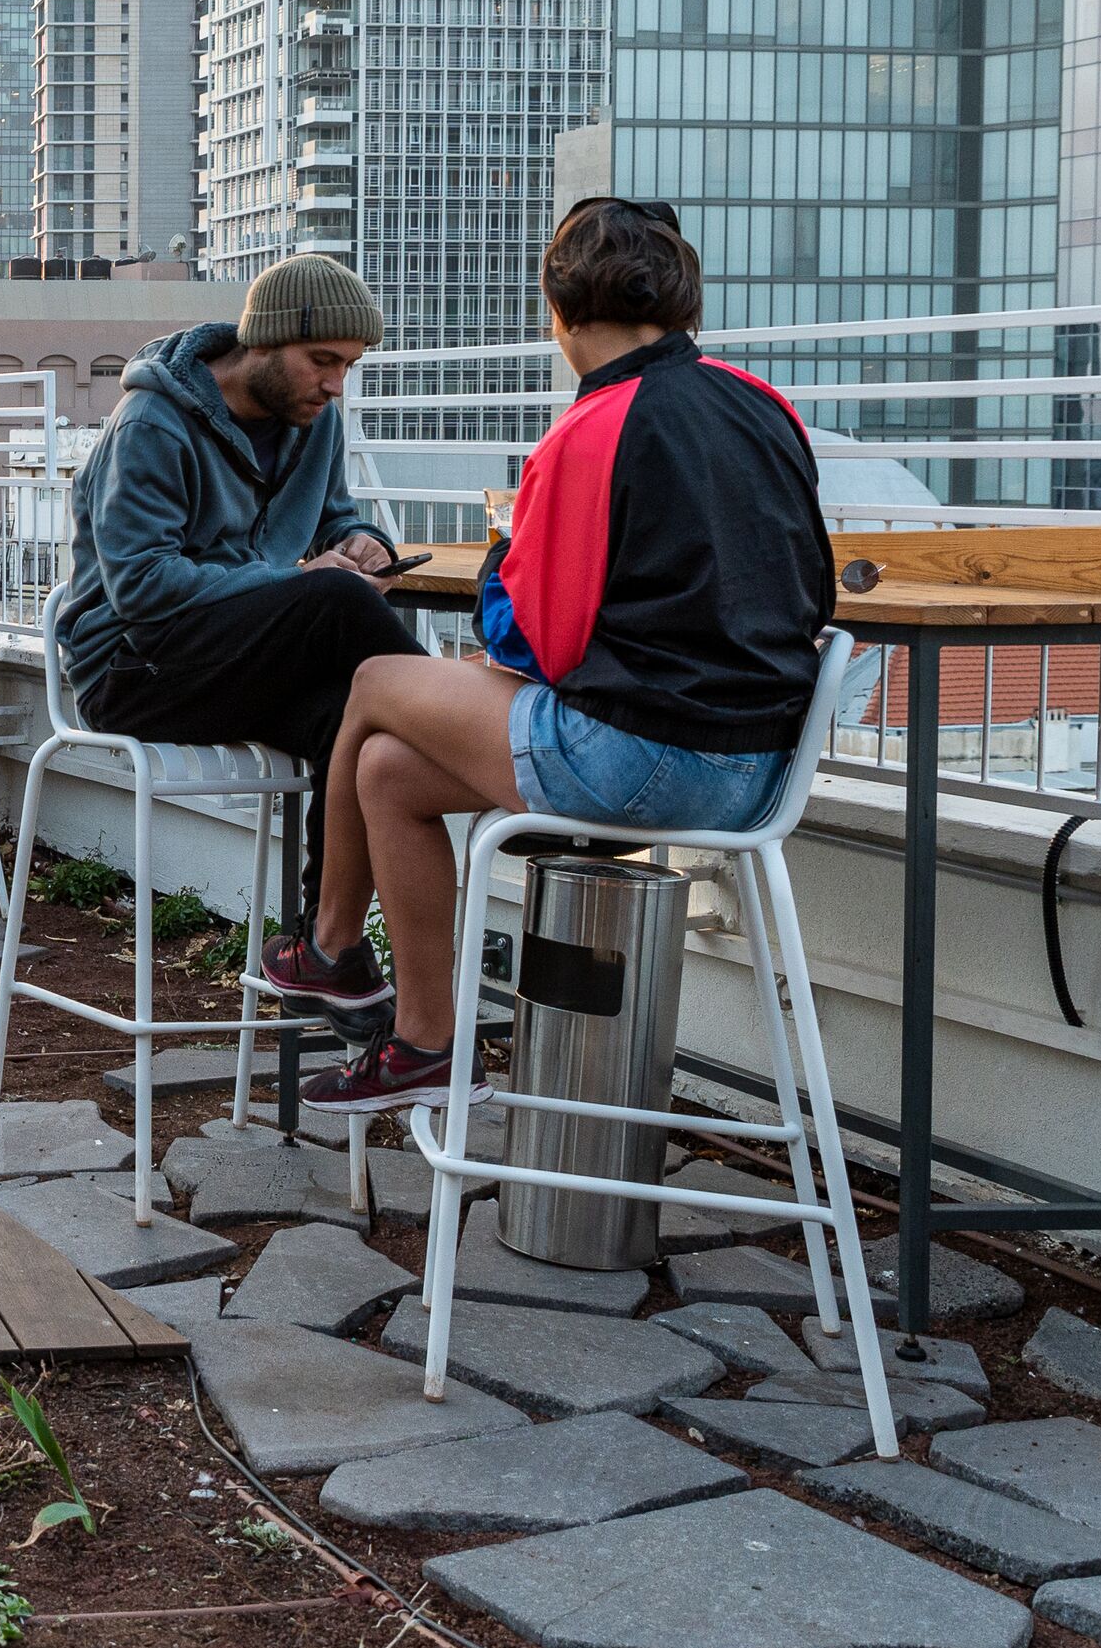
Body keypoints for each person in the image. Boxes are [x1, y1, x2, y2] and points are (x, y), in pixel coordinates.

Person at [291, 197, 835, 1113]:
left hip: (647, 756)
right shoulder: (762, 405)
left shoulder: (590, 431)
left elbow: (527, 642)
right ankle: (424, 1043)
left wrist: (509, 546)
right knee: (386, 769)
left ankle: (330, 945)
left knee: (377, 679)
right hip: (762, 766)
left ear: (558, 309)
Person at [52, 252, 421, 950]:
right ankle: (483, 733)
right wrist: (308, 578)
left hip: (227, 656)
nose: (336, 384)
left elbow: (332, 516)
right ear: (265, 340)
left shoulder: (314, 420)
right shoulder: (153, 423)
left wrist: (363, 540)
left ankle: (324, 948)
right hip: (130, 667)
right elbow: (141, 588)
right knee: (334, 603)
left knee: (355, 719)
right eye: (322, 359)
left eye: (348, 365)